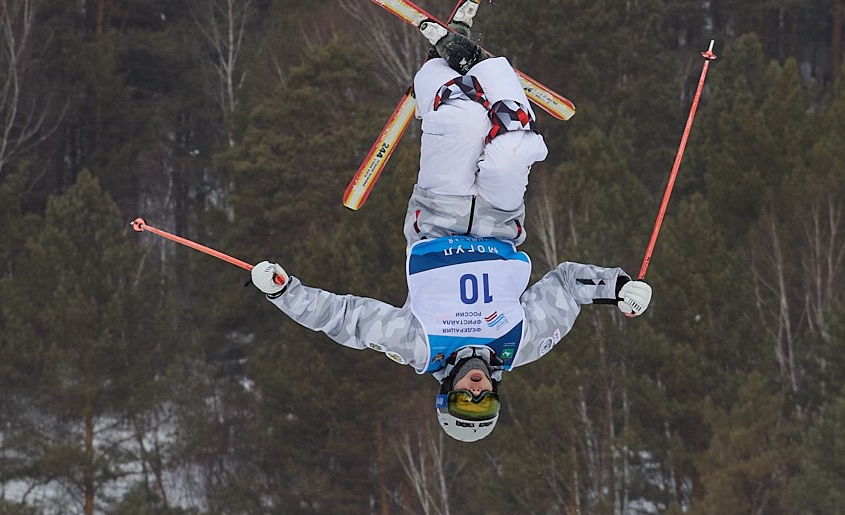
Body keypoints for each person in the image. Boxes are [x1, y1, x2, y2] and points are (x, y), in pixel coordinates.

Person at [251, 43, 650, 442]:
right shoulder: (522, 343)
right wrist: (618, 289)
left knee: (462, 121)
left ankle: (437, 73)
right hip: (499, 221)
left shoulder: (419, 346)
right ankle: (481, 67)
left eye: (465, 400)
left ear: (447, 394)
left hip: (438, 218)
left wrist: (284, 293)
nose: (476, 391)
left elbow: (346, 319)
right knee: (512, 153)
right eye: (485, 402)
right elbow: (566, 285)